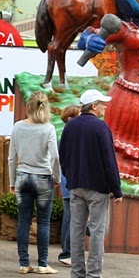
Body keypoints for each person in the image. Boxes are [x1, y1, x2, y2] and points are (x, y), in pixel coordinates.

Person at [58, 88, 123, 278]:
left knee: (76, 229)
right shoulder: (101, 127)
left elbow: (63, 156)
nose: (105, 107)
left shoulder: (70, 126)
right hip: (98, 188)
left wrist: (71, 176)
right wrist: (116, 188)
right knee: (97, 230)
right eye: (102, 104)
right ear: (94, 106)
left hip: (76, 186)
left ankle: (77, 274)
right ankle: (94, 275)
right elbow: (109, 160)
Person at [9, 90, 61, 274]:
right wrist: (56, 177)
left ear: (28, 106)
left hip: (23, 176)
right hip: (43, 178)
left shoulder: (17, 127)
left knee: (23, 221)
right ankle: (43, 263)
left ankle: (24, 263)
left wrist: (12, 181)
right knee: (43, 222)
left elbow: (11, 158)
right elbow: (54, 157)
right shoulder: (48, 129)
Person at [57, 105, 81, 267]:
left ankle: (66, 251)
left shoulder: (64, 135)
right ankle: (67, 252)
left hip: (66, 180)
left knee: (69, 216)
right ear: (70, 119)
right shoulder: (71, 136)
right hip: (70, 181)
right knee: (73, 217)